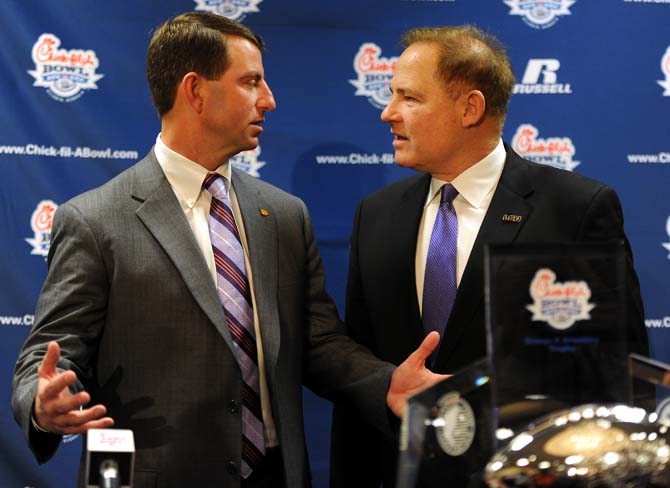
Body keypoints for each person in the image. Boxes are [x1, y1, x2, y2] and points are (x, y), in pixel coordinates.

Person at [11, 12, 444, 488]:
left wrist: (386, 384)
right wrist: (41, 402)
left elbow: (318, 343)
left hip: (275, 475)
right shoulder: (95, 220)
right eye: (251, 82)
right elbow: (48, 355)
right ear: (195, 91)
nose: (269, 100)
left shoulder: (283, 215)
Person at [330, 25, 650, 487]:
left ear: (470, 108)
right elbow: (362, 365)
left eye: (409, 98)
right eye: (391, 96)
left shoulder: (576, 208)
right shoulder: (376, 215)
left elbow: (620, 372)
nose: (388, 113)